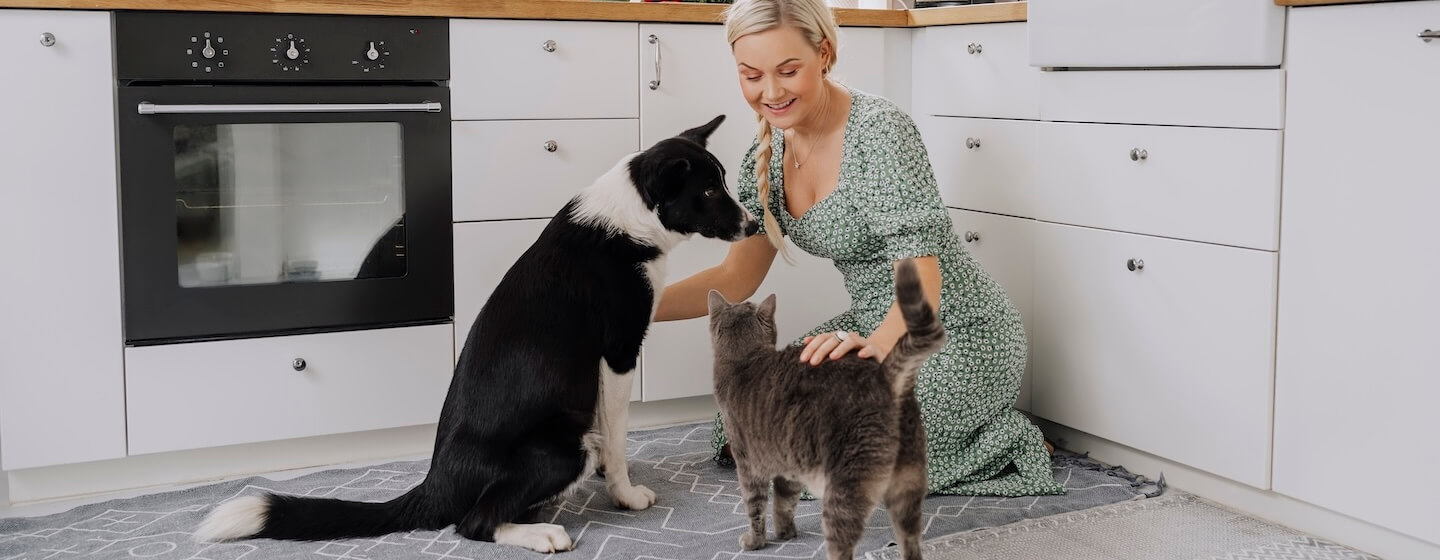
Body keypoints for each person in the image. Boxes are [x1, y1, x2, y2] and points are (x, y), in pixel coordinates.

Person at [652, 0, 1061, 497]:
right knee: (752, 417)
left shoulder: (880, 133)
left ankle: (1004, 439)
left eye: (788, 70)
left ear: (823, 54)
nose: (771, 92)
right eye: (751, 75)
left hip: (957, 334)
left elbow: (923, 285)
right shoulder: (765, 154)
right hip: (871, 326)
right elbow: (736, 278)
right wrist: (635, 306)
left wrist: (874, 351)